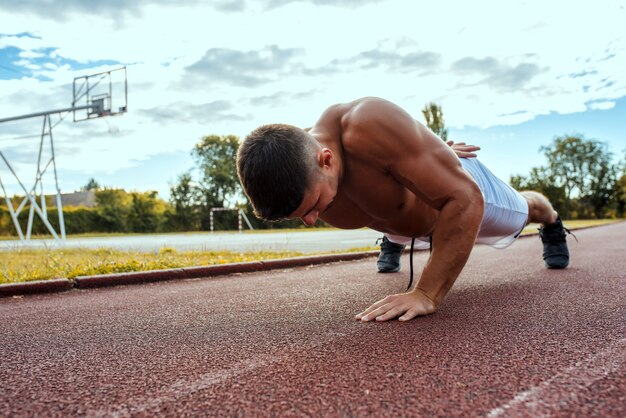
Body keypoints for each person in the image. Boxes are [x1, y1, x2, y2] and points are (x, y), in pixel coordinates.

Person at [236, 97, 571, 322]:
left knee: (528, 209)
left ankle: (553, 223)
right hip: (399, 217)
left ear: (327, 160)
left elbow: (465, 199)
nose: (311, 221)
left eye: (312, 208)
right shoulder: (297, 166)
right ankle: (392, 239)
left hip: (458, 198)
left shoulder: (369, 126)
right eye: (301, 217)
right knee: (389, 211)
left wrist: (426, 292)